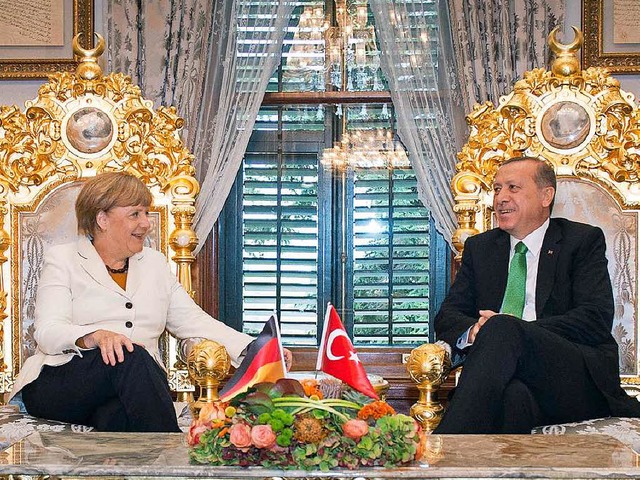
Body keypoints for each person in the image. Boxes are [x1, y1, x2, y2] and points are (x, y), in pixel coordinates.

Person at [9, 172, 292, 432]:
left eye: (145, 212)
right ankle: (175, 465)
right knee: (130, 355)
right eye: (135, 214)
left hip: (127, 391)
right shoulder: (63, 259)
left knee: (116, 418)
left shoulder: (154, 264)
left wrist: (256, 348)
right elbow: (47, 332)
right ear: (102, 219)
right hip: (61, 383)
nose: (145, 223)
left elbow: (193, 321)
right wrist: (94, 336)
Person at [434, 156, 640, 434]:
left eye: (513, 188)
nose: (500, 198)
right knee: (513, 398)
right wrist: (475, 332)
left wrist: (515, 331)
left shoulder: (581, 241)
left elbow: (594, 318)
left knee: (503, 328)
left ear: (546, 196)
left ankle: (443, 447)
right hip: (508, 379)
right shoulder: (480, 248)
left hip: (573, 378)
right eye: (496, 189)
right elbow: (447, 317)